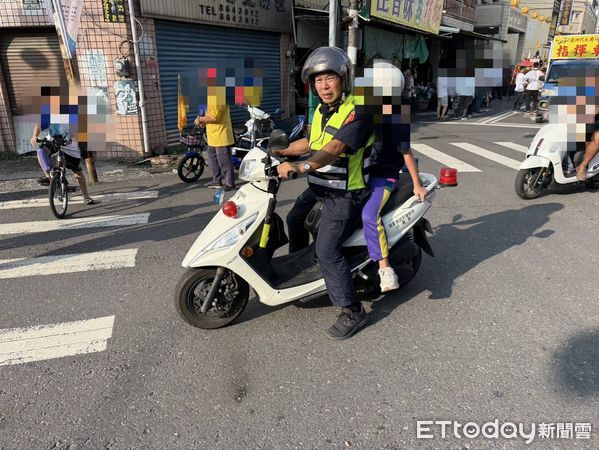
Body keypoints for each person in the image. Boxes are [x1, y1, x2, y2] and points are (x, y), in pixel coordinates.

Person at [274, 46, 374, 340]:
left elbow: (334, 148)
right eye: (318, 81)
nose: (324, 86)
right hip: (321, 187)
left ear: (343, 78)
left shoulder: (359, 109)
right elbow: (311, 141)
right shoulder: (320, 110)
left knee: (328, 250)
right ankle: (302, 271)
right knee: (294, 218)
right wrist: (279, 151)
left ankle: (352, 309)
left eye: (330, 78)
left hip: (346, 193)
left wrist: (300, 166)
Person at [357, 60, 428, 292]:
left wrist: (417, 184)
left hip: (383, 177)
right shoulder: (365, 109)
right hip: (361, 174)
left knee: (369, 215)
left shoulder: (397, 114)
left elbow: (405, 150)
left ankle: (385, 269)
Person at [31, 123, 95, 205]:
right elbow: (39, 125)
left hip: (70, 145)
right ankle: (49, 177)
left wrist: (71, 139)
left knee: (77, 173)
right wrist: (35, 136)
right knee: (41, 149)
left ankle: (86, 197)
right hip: (52, 141)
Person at [194, 89, 236, 191]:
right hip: (212, 134)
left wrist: (200, 120)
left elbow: (214, 117)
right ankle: (217, 181)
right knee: (213, 159)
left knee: (224, 161)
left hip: (221, 135)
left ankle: (230, 183)